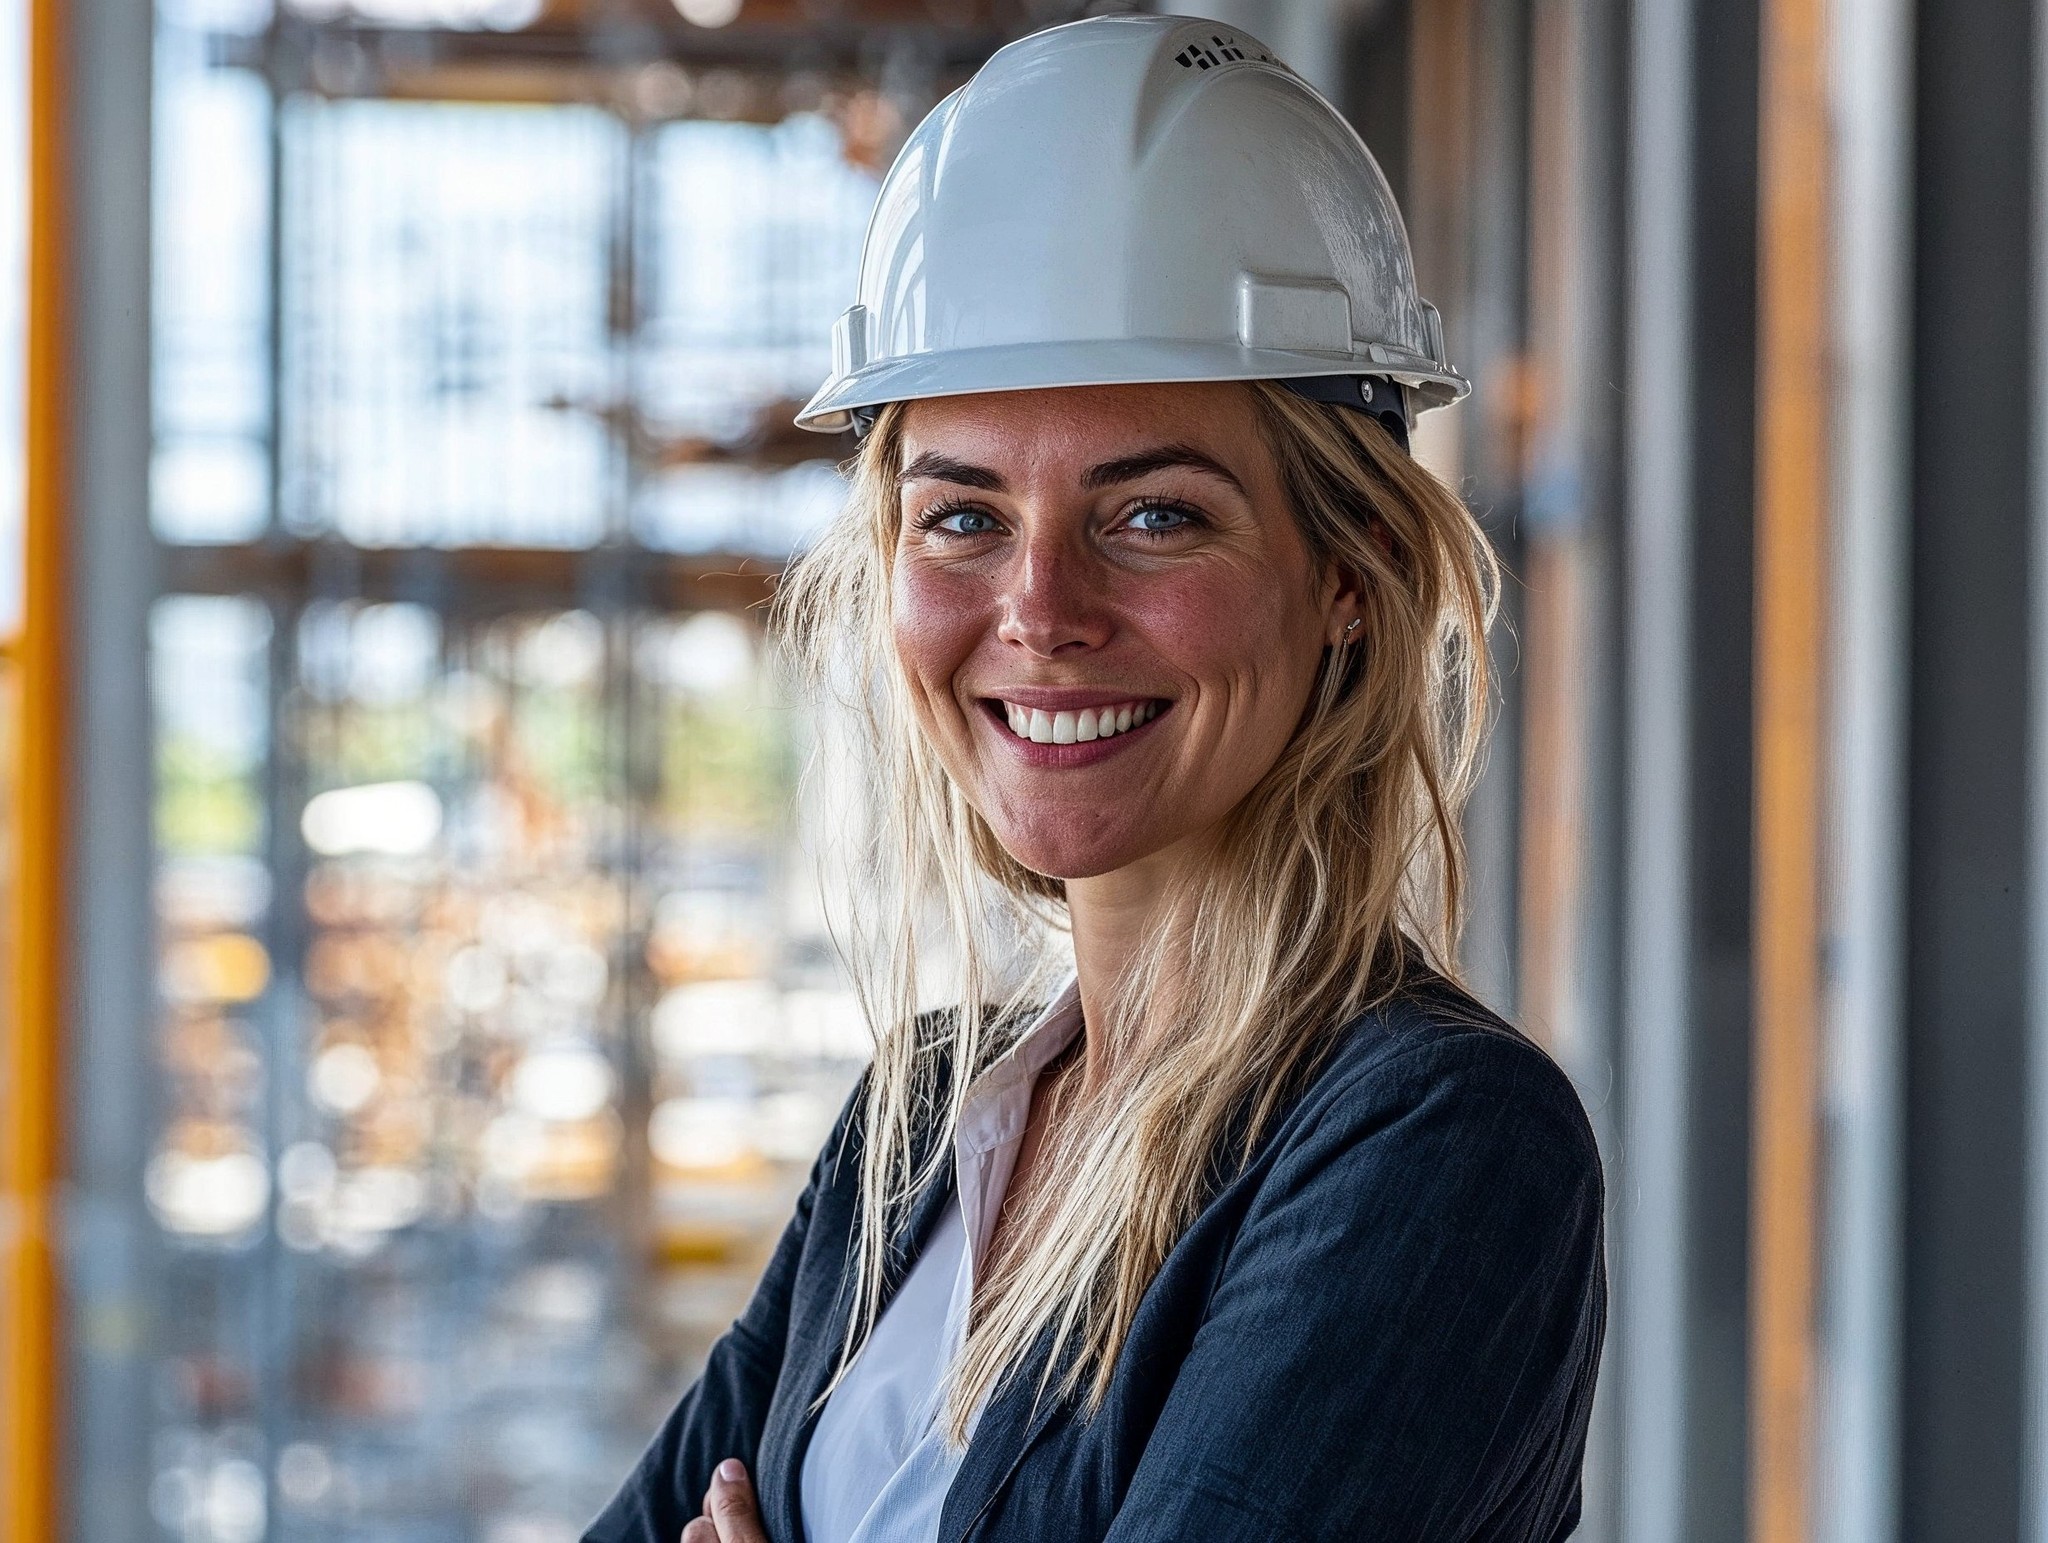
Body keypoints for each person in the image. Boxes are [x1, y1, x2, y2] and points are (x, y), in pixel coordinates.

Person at [585, 14, 1606, 1543]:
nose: (1041, 611)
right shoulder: (918, 1123)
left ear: (1353, 570)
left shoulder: (1433, 1150)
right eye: (962, 518)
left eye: (1156, 518)